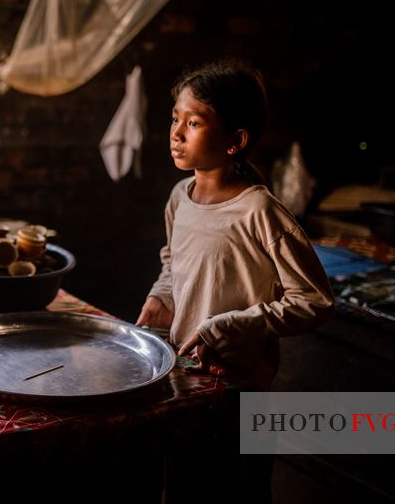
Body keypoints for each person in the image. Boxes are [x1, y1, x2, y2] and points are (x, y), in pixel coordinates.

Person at [136, 58, 334, 502]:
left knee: (236, 492)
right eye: (175, 119)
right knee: (186, 487)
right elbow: (174, 262)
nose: (177, 132)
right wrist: (161, 294)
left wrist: (234, 323)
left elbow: (316, 301)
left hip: (241, 389)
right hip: (186, 378)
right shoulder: (179, 198)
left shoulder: (259, 212)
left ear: (235, 140)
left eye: (194, 122)